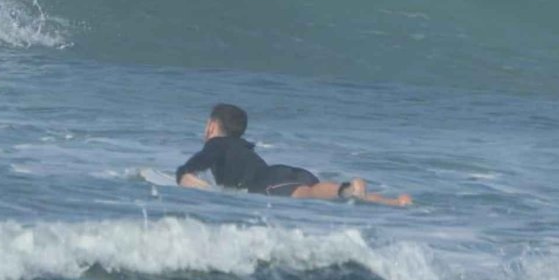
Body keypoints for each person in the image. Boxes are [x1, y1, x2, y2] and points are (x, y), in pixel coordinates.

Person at [175, 103, 411, 206]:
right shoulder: (240, 147)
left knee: (310, 194)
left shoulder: (217, 144)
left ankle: (347, 188)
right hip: (286, 173)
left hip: (269, 182)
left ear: (211, 127)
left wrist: (183, 174)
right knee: (319, 192)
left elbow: (196, 164)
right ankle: (394, 202)